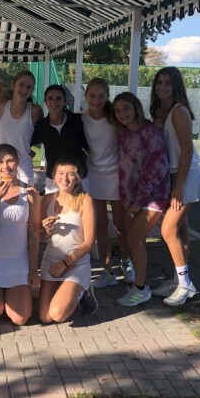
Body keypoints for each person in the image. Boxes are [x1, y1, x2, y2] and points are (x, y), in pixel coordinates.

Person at [149, 67, 200, 306]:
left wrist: (178, 186)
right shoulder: (162, 111)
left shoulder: (179, 111)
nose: (162, 87)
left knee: (168, 230)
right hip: (172, 174)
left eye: (167, 83)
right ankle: (177, 280)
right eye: (159, 82)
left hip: (186, 176)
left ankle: (185, 284)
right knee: (181, 232)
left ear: (176, 86)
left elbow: (187, 150)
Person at [112, 92, 170, 308]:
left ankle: (140, 289)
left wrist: (139, 200)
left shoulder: (150, 132)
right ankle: (139, 282)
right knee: (133, 240)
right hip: (130, 197)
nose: (122, 114)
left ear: (136, 107)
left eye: (126, 108)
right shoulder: (123, 134)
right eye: (117, 111)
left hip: (151, 198)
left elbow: (156, 167)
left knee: (135, 238)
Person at [0, 144, 40, 325]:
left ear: (18, 162)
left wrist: (33, 270)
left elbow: (34, 234)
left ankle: (14, 295)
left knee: (20, 319)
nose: (6, 166)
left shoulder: (30, 192)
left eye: (10, 160)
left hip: (18, 263)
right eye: (0, 161)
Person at [82, 78, 132, 288]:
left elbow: (135, 129)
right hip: (94, 176)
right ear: (86, 97)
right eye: (92, 95)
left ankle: (127, 263)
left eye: (101, 96)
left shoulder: (115, 117)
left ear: (107, 96)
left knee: (121, 225)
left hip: (117, 176)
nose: (97, 100)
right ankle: (107, 270)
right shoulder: (80, 119)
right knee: (100, 225)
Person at [38, 157, 96, 323]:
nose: (65, 178)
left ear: (77, 178)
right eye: (61, 173)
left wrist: (64, 264)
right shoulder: (47, 200)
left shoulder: (85, 200)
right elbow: (41, 237)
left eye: (71, 174)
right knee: (45, 317)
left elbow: (89, 243)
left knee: (57, 314)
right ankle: (67, 290)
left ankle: (84, 292)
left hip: (75, 263)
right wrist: (46, 230)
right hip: (51, 261)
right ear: (54, 176)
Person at [31, 84, 88, 194]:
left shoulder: (77, 121)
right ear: (45, 101)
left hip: (79, 177)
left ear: (64, 101)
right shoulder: (41, 127)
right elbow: (32, 151)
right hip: (53, 180)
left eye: (58, 98)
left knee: (81, 210)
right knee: (52, 210)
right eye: (50, 98)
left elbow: (88, 146)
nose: (54, 102)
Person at [0, 70, 43, 184]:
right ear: (13, 84)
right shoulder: (2, 107)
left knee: (25, 201)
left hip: (24, 168)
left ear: (32, 90)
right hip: (2, 167)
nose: (24, 90)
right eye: (21, 85)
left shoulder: (35, 110)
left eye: (29, 87)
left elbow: (43, 134)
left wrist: (33, 150)